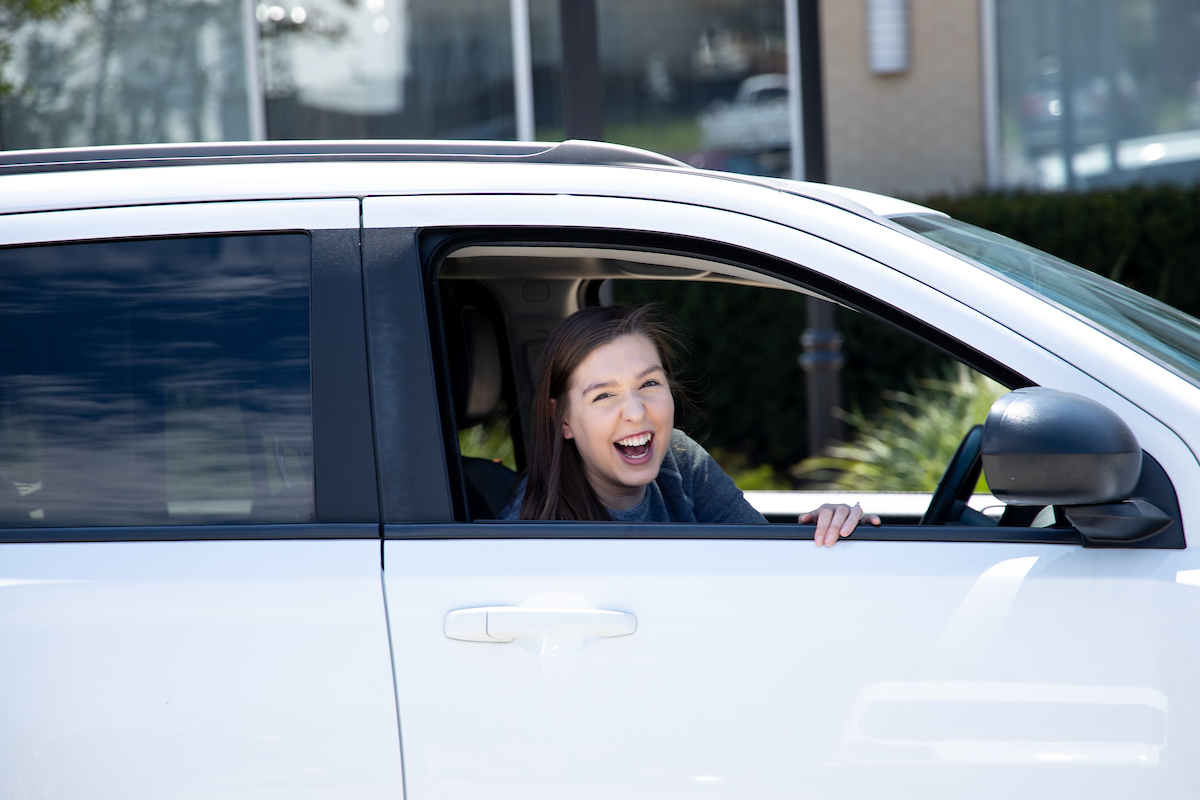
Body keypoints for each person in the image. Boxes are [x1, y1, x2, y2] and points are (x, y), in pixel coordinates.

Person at [500, 304, 880, 545]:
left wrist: (825, 532)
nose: (635, 411)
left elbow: (761, 562)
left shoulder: (679, 461)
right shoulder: (532, 534)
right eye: (604, 395)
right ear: (563, 419)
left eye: (649, 384)